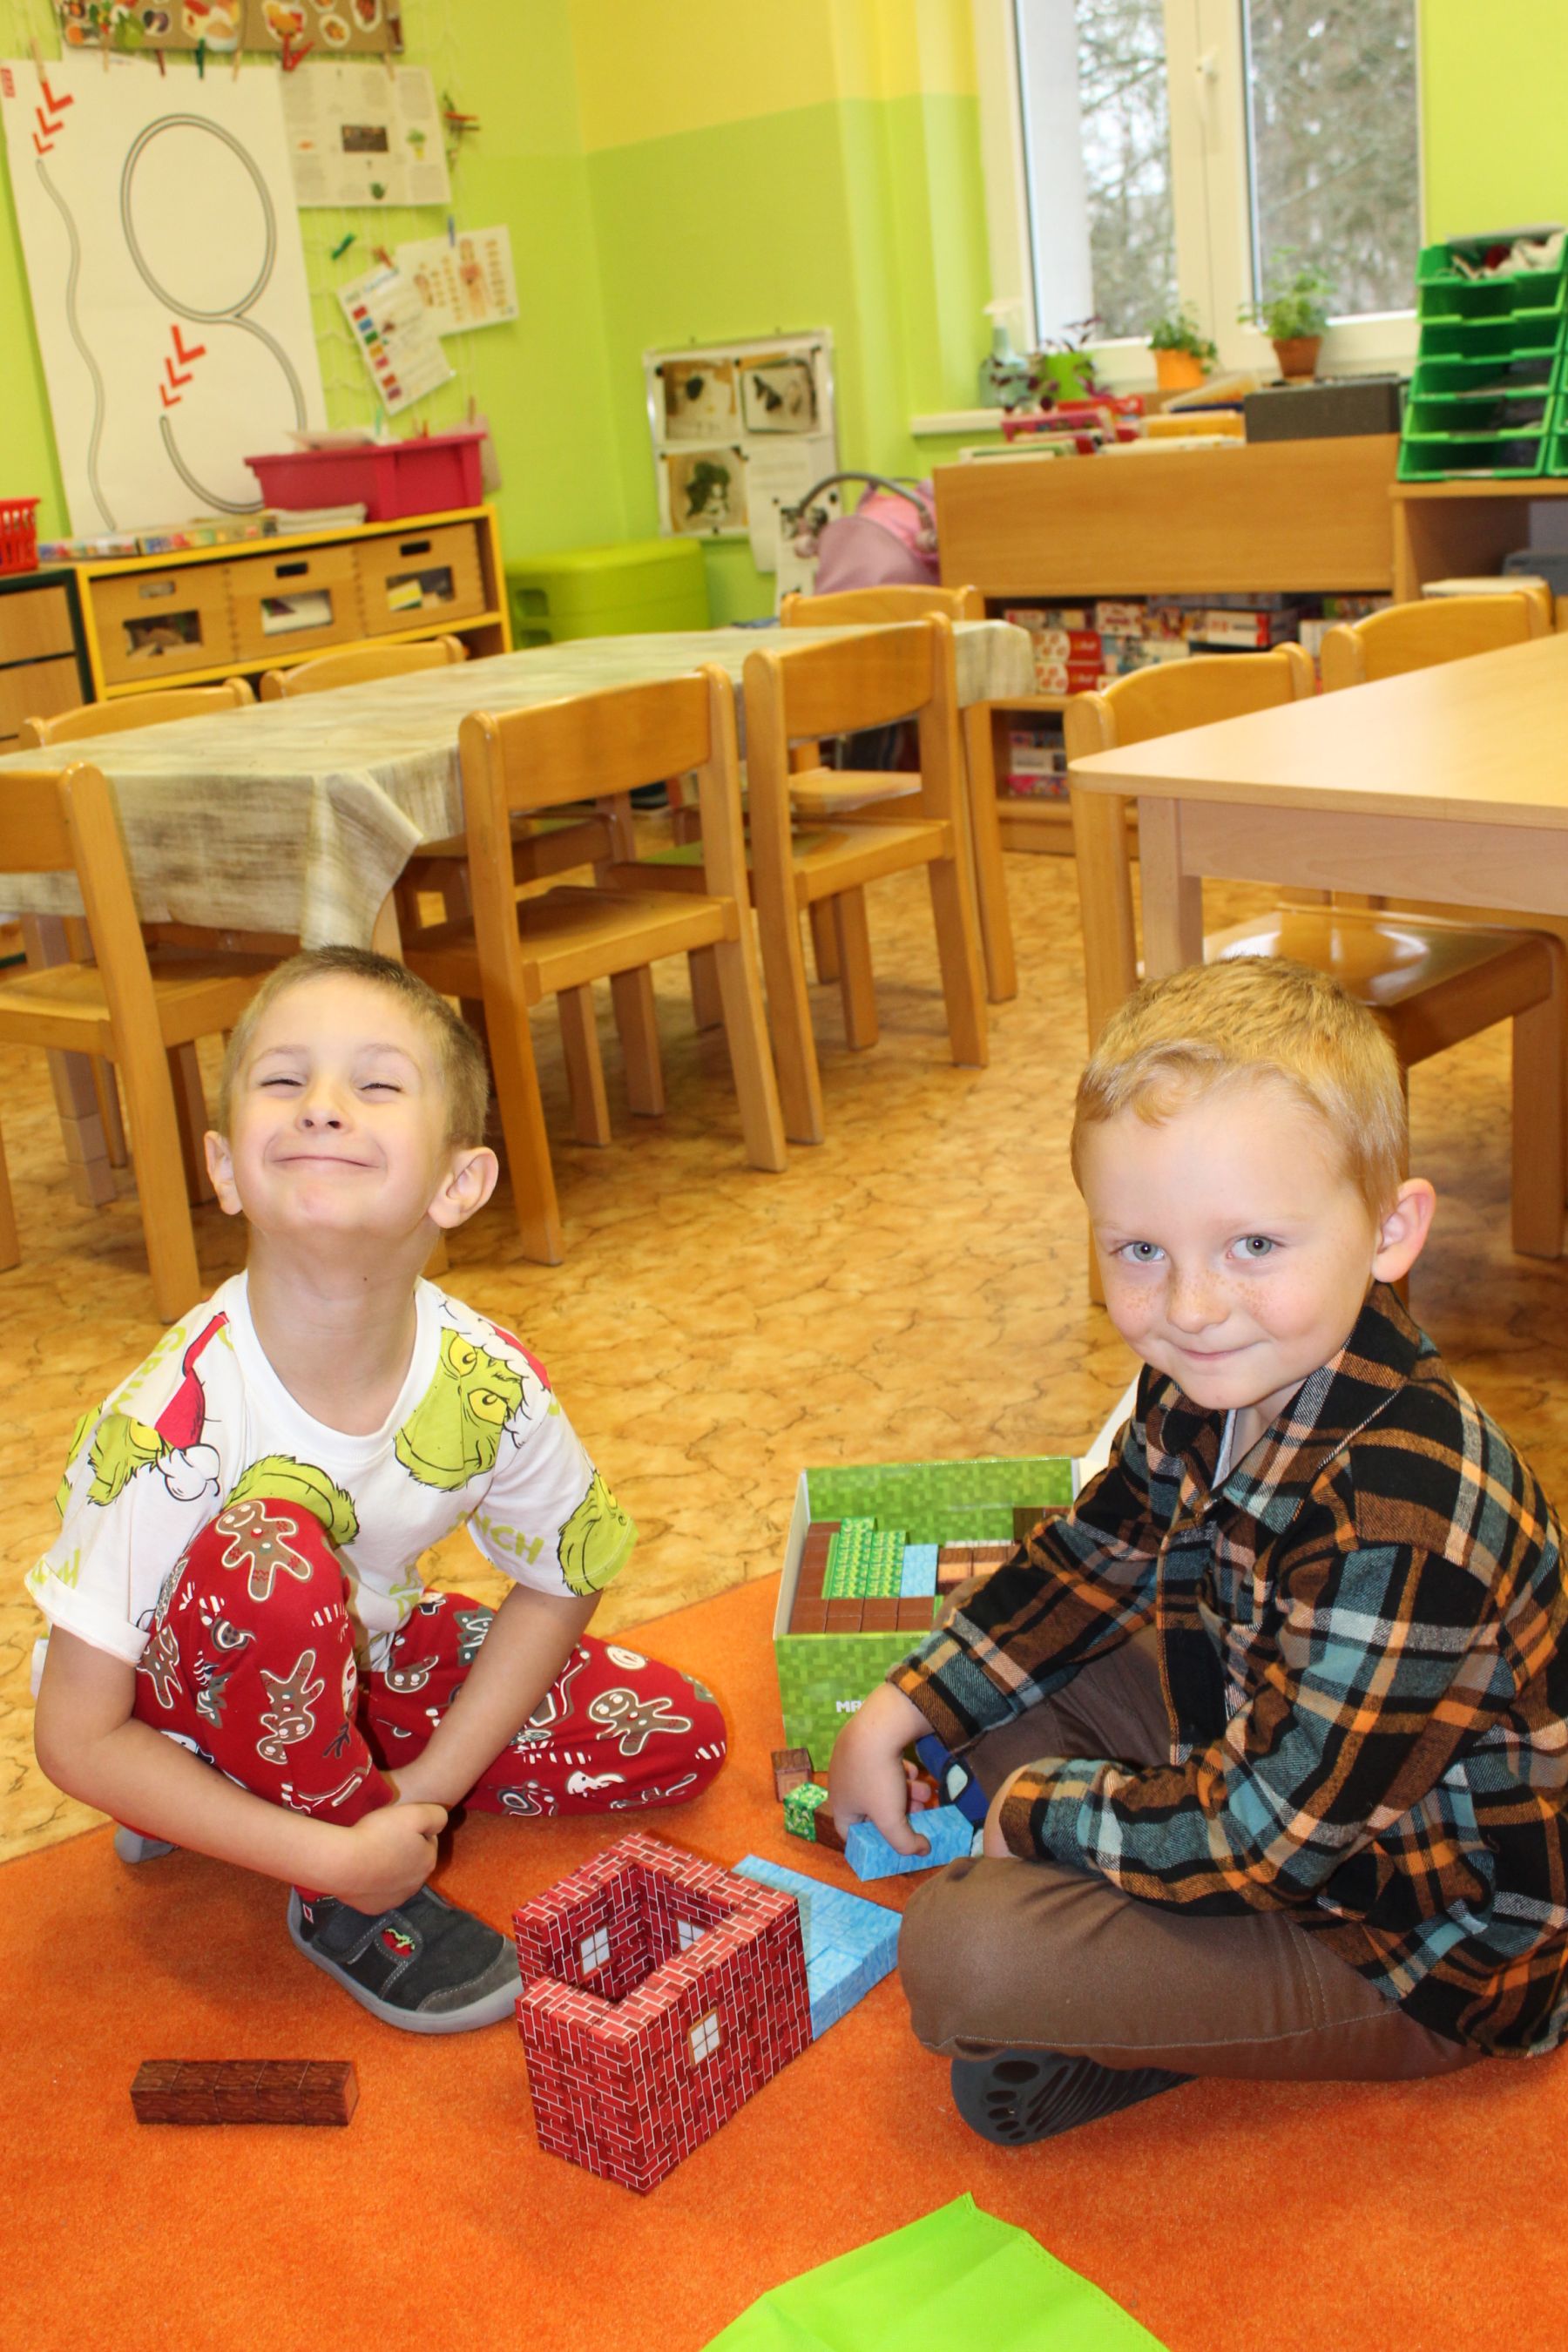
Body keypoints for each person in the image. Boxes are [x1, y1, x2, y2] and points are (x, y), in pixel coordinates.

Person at [830, 956, 1568, 2143]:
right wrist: (899, 1708)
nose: (1190, 1306)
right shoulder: (1214, 1375)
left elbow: (1267, 1842)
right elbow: (1091, 1558)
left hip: (1416, 1940)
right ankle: (1140, 1945)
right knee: (1003, 1696)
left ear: (1391, 1231)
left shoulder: (1404, 1521)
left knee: (965, 1949)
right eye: (1140, 1251)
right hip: (1262, 1754)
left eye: (1254, 1245)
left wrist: (1038, 1813)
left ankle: (1163, 2014)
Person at [30, 947, 727, 2035]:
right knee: (272, 1559)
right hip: (166, 1698)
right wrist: (341, 1854)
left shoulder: (487, 1380)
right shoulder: (169, 1420)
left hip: (358, 1652)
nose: (321, 1106)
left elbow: (562, 1575)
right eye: (283, 1079)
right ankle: (334, 1885)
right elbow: (74, 1737)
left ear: (460, 1184)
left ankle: (258, 1806)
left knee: (675, 1731)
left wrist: (429, 1787)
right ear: (225, 1167)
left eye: (376, 1084)